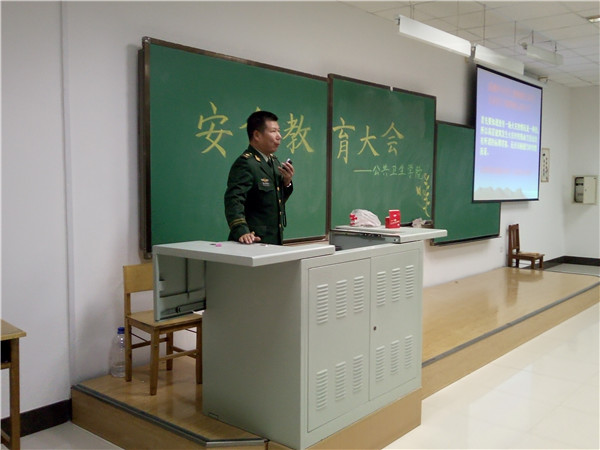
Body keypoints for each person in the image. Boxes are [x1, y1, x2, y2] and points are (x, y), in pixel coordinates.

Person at [224, 111, 294, 245]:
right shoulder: (246, 163)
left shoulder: (274, 162)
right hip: (252, 241)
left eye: (279, 131)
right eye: (273, 131)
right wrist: (241, 231)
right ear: (257, 135)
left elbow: (275, 201)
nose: (279, 136)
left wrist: (287, 183)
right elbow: (234, 200)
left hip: (273, 241)